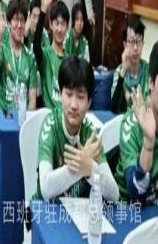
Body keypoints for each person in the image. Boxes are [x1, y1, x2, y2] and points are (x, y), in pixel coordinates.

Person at [34, 56, 119, 201]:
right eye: (68, 94)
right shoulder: (50, 126)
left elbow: (114, 194)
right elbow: (46, 189)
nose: (73, 105)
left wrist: (90, 169)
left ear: (89, 102)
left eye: (80, 97)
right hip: (45, 209)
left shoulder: (90, 133)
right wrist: (81, 165)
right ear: (60, 95)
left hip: (76, 211)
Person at [115, 41, 158, 204]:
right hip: (127, 210)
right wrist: (148, 143)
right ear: (151, 83)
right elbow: (136, 194)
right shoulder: (132, 123)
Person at [0, 0, 37, 111]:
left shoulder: (30, 57)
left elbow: (32, 101)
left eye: (22, 20)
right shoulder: (3, 49)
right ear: (9, 23)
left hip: (22, 117)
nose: (19, 25)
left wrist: (28, 119)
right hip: (3, 116)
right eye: (15, 20)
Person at [33, 0, 70, 109]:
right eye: (56, 23)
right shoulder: (46, 55)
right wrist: (43, 10)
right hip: (49, 115)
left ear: (67, 27)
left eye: (63, 24)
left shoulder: (69, 60)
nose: (60, 29)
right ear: (51, 25)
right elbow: (36, 45)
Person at [111, 15, 149, 114]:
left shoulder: (149, 71)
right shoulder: (119, 72)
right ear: (125, 45)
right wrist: (123, 72)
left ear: (143, 43)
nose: (136, 48)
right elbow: (114, 109)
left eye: (138, 41)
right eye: (131, 41)